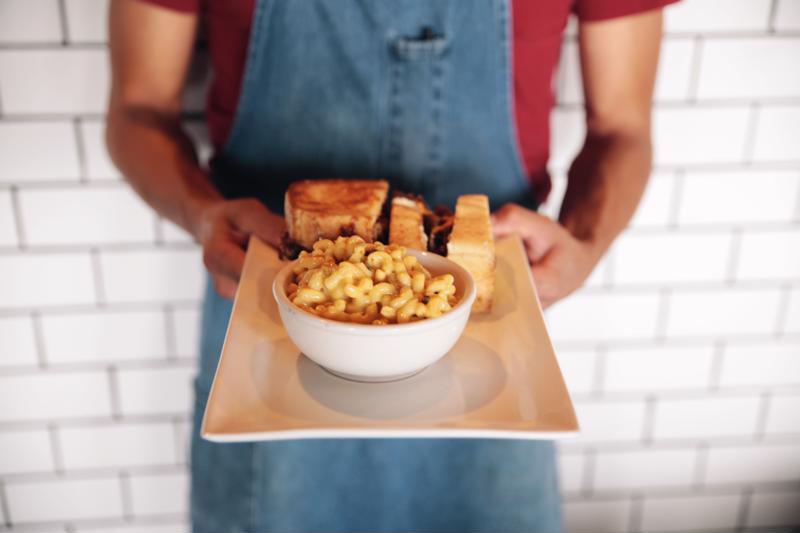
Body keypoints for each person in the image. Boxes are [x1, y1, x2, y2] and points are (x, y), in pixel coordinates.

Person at [106, 0, 674, 530]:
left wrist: (583, 242)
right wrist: (204, 215)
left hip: (490, 340)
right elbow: (137, 109)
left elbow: (623, 127)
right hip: (270, 319)